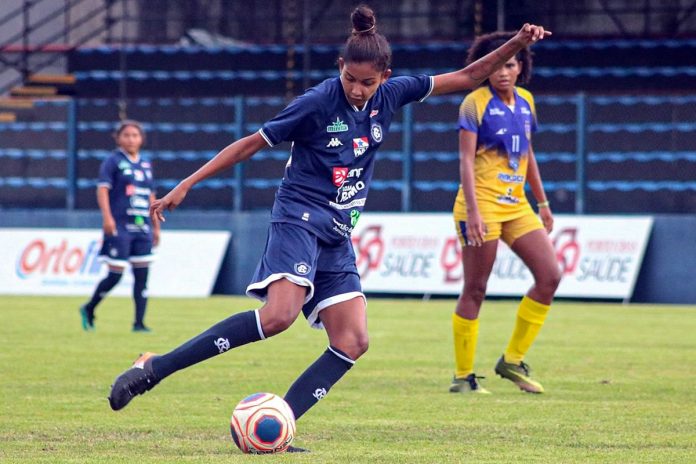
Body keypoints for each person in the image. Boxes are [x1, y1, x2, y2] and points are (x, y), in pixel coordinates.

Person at [107, 5, 549, 448]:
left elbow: (469, 76)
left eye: (368, 82)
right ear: (340, 68)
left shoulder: (393, 94)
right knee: (278, 317)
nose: (358, 90)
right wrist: (187, 183)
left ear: (385, 76)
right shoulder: (318, 102)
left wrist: (517, 43)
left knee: (353, 340)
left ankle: (276, 425)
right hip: (298, 217)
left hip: (337, 232)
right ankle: (154, 368)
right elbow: (249, 145)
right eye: (350, 79)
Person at [449, 31, 561, 395]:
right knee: (476, 288)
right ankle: (463, 377)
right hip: (479, 205)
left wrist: (542, 203)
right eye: (496, 64)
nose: (502, 71)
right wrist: (476, 211)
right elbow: (465, 160)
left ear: (521, 66)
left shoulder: (526, 102)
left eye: (510, 63)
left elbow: (527, 157)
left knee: (550, 276)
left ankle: (512, 360)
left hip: (517, 206)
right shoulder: (473, 103)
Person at [80, 120, 159, 333]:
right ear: (118, 138)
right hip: (120, 225)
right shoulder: (112, 162)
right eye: (127, 135)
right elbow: (103, 190)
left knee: (142, 277)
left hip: (142, 227)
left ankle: (139, 323)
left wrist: (156, 226)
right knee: (116, 274)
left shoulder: (145, 163)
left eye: (135, 135)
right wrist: (107, 218)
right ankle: (89, 308)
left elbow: (151, 195)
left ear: (141, 139)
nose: (131, 139)